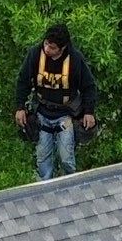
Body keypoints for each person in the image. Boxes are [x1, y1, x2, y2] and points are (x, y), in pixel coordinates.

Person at [13, 23, 97, 181]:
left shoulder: (75, 60)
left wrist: (88, 112)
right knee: (43, 161)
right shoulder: (35, 55)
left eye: (51, 47)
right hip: (42, 112)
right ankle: (46, 191)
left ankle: (71, 188)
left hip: (65, 115)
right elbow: (23, 81)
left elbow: (89, 87)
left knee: (66, 159)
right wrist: (20, 107)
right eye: (45, 44)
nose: (47, 49)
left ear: (62, 47)